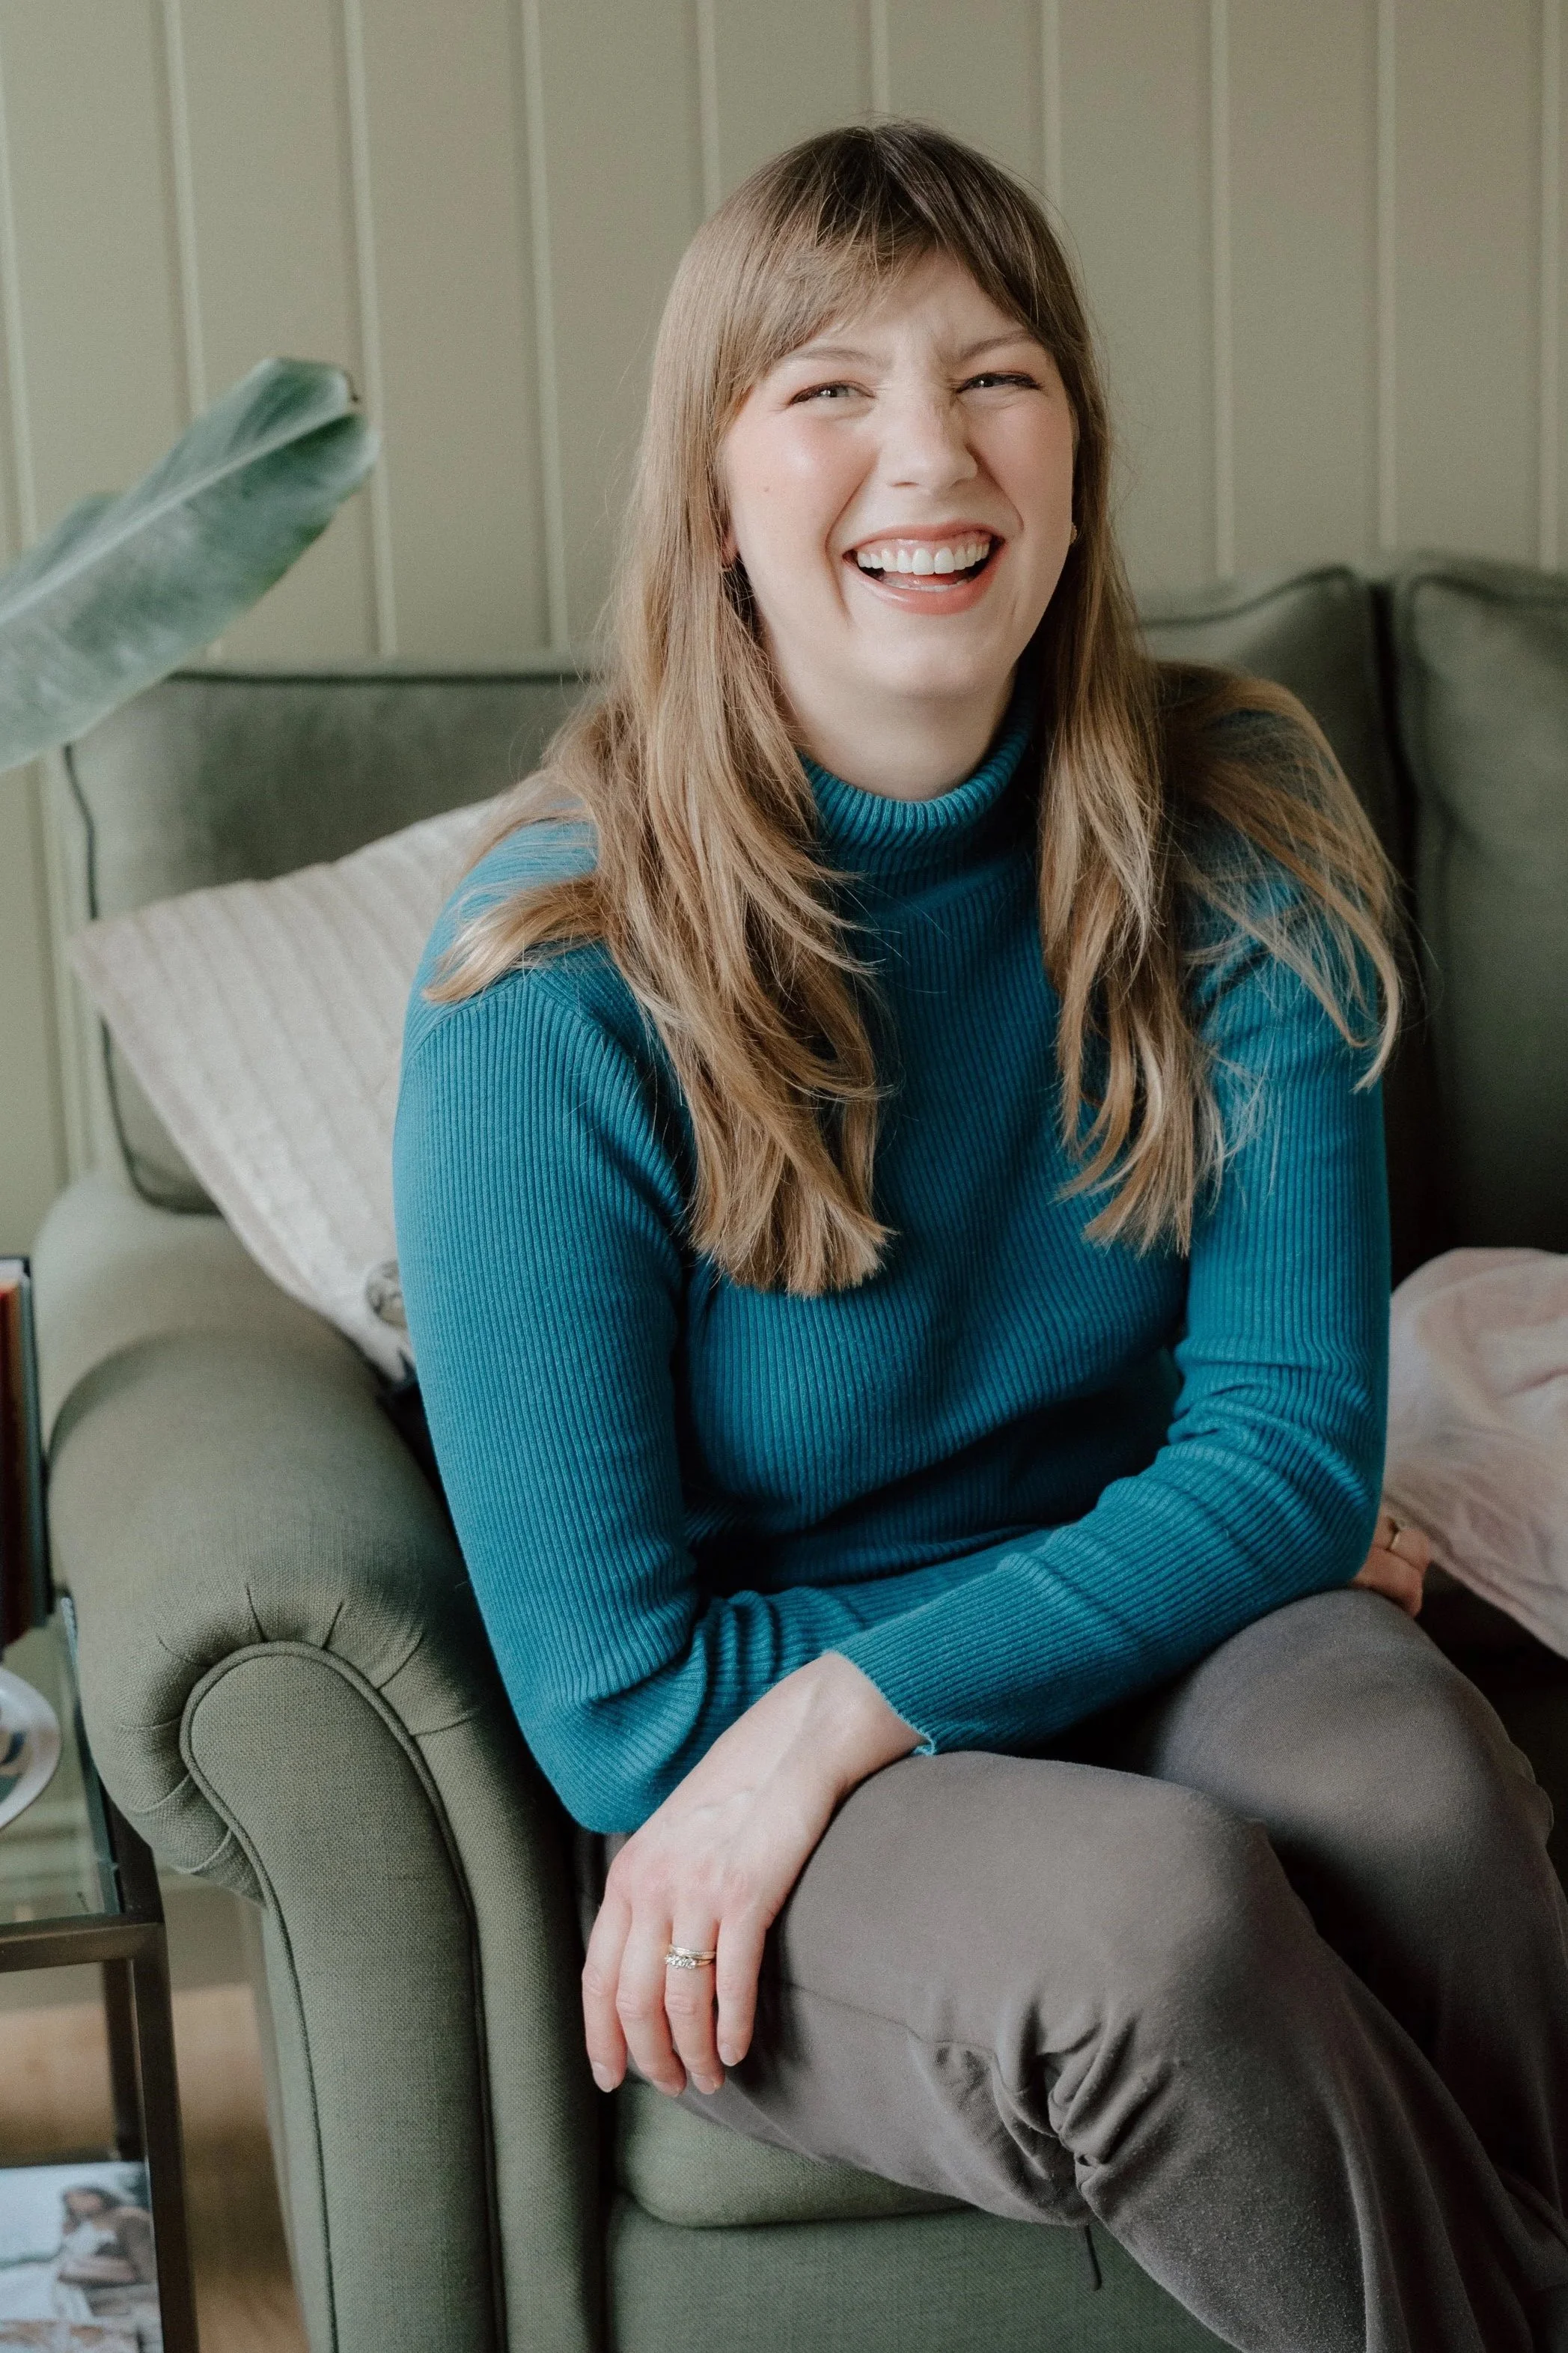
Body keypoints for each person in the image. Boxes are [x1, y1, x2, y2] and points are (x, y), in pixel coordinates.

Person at [394, 121, 1568, 2352]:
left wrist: (866, 1685)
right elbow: (621, 1696)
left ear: (1076, 452)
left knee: (1412, 1795)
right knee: (1161, 1924)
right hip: (751, 1782)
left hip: (1047, 1640)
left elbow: (1295, 1451)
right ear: (713, 492)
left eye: (995, 373)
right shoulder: (546, 985)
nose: (927, 452)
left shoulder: (1238, 817)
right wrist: (862, 1721)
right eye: (824, 387)